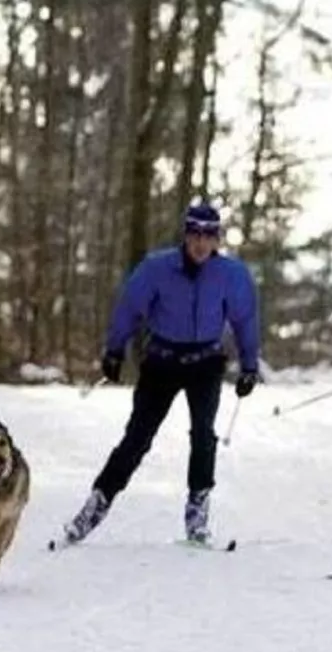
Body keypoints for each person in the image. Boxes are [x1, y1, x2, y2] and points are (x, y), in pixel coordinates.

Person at [60, 202, 261, 546]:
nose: (200, 243)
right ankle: (96, 504)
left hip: (205, 362)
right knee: (137, 438)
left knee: (203, 435)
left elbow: (245, 319)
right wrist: (114, 349)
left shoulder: (231, 274)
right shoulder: (157, 268)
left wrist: (249, 365)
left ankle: (197, 511)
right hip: (162, 360)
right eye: (195, 234)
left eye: (208, 236)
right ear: (185, 235)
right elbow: (130, 307)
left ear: (217, 240)